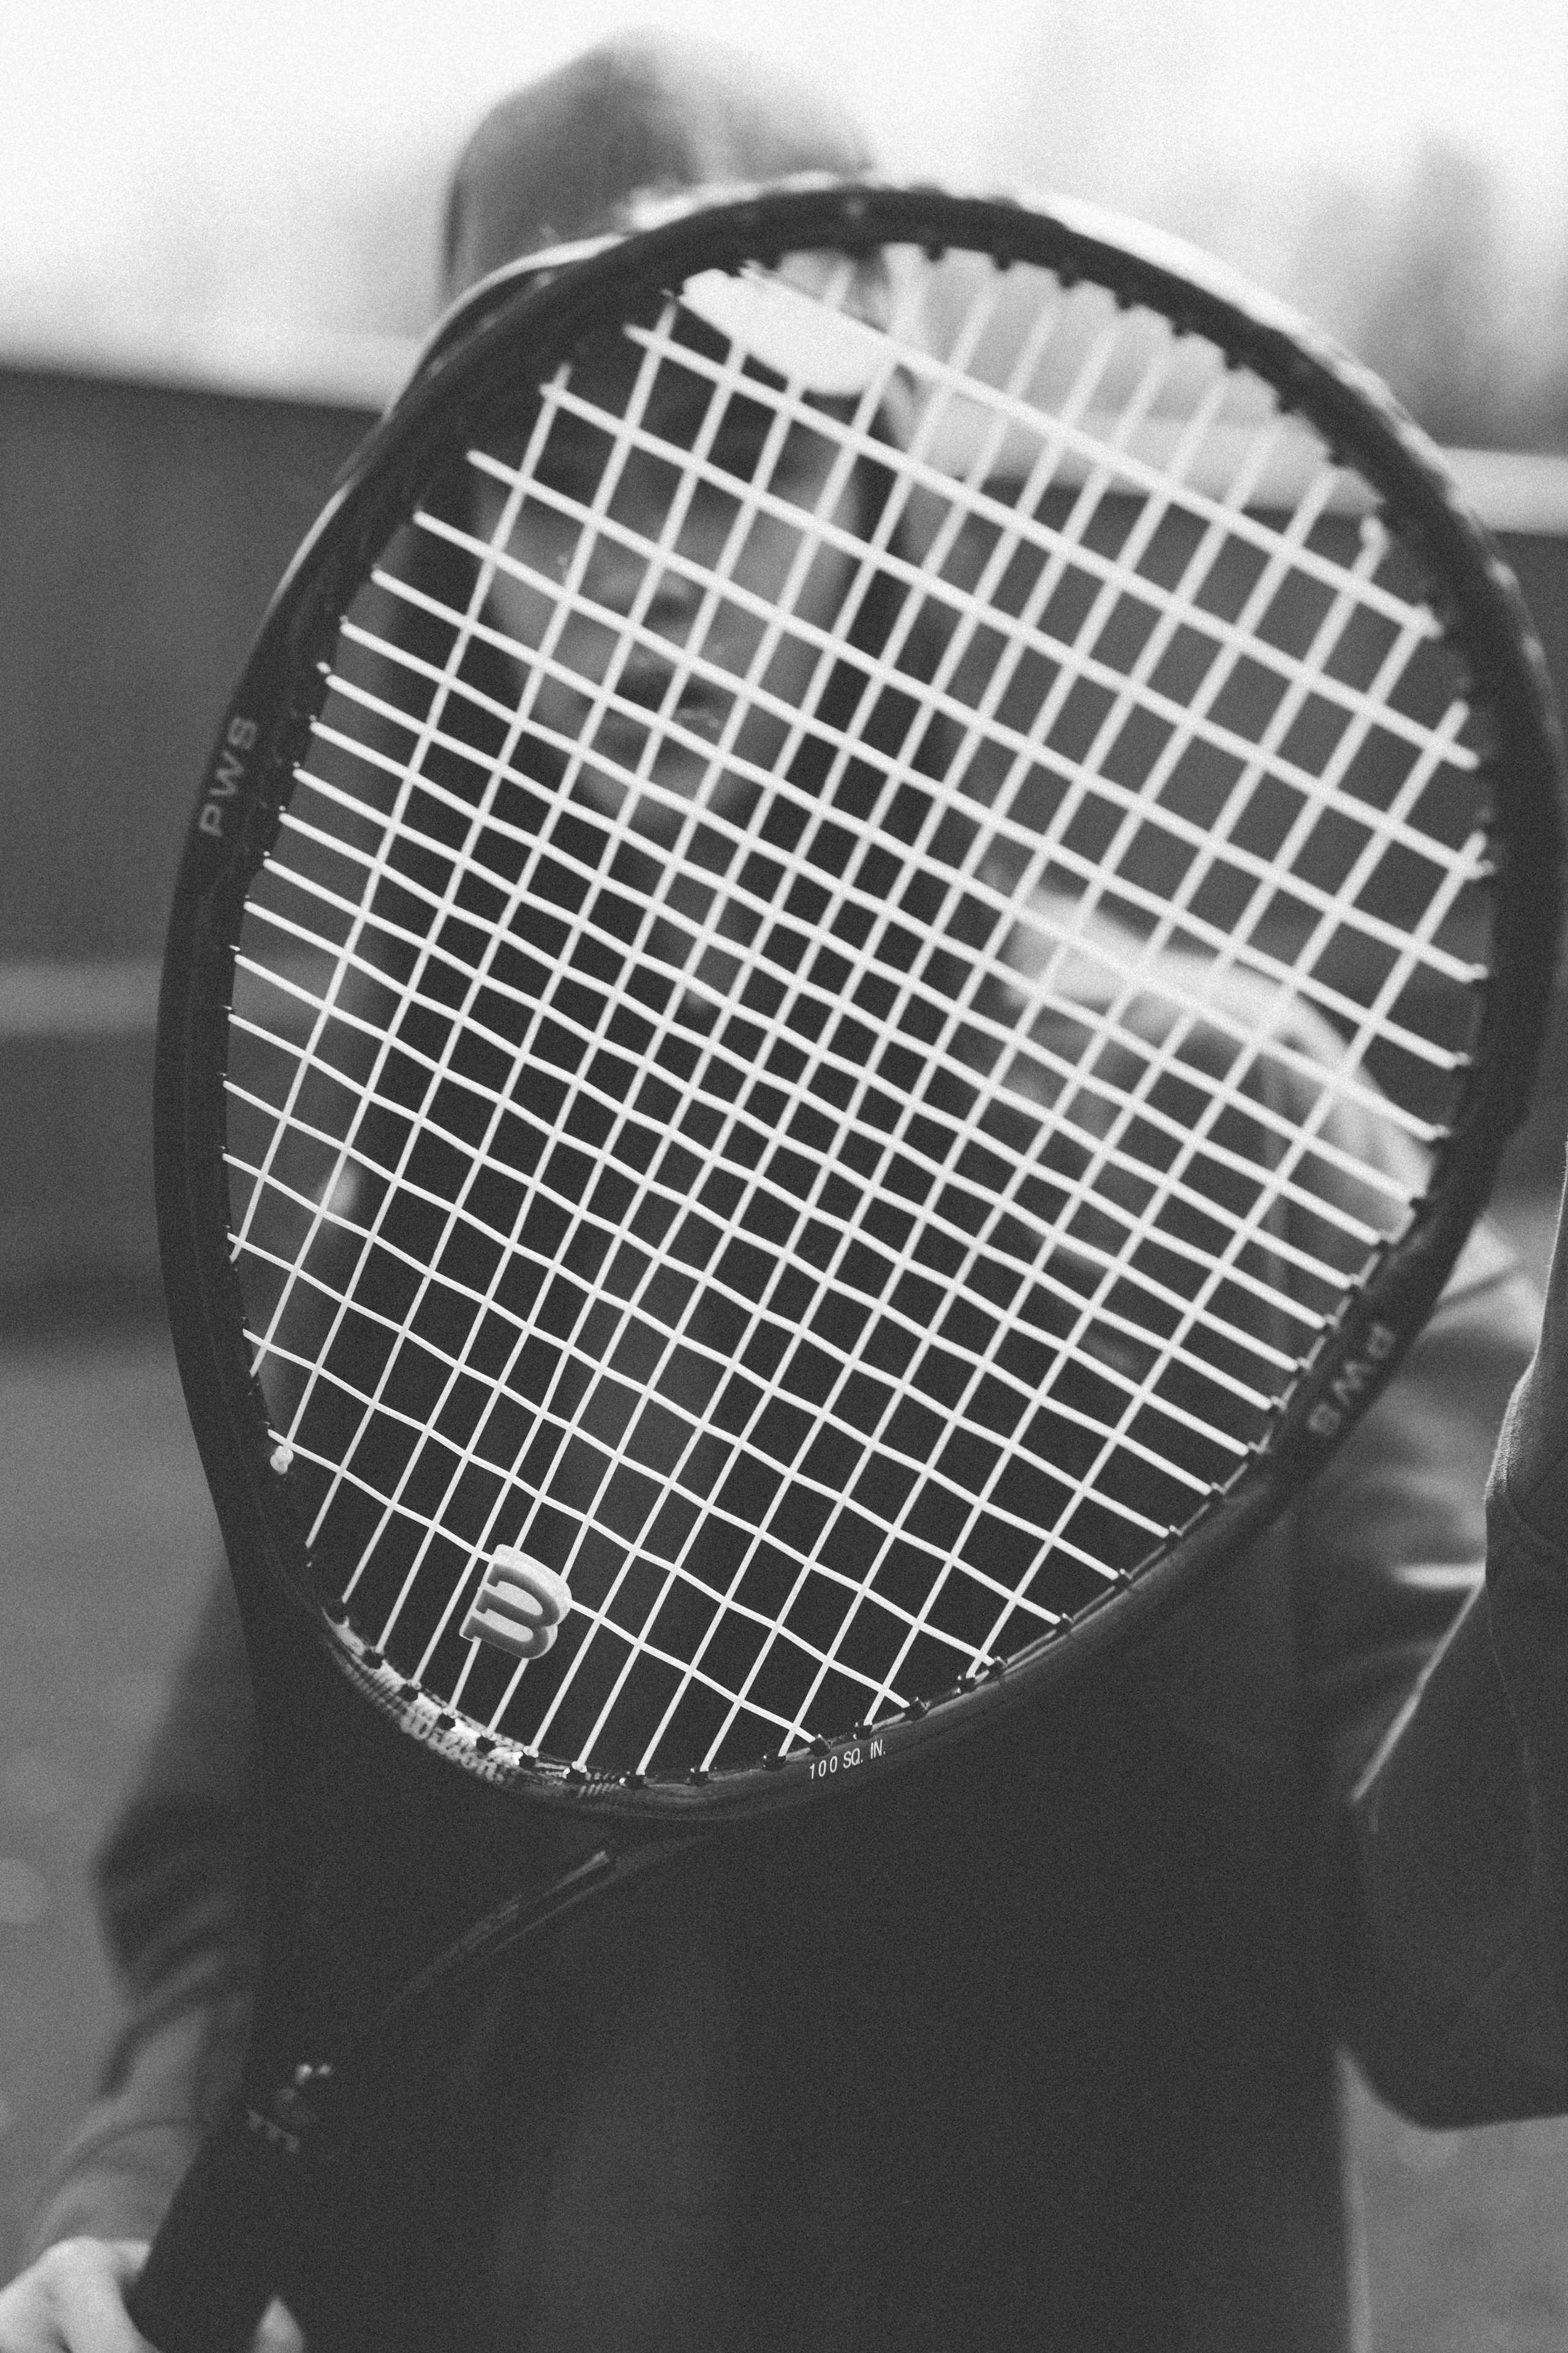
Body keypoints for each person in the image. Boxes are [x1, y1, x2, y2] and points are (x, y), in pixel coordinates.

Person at [5, 31, 1568, 2353]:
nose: (629, 576)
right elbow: (243, 1862)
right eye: (549, 480)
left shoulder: (1242, 1144)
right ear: (455, 555)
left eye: (729, 465)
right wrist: (136, 2189)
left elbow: (1462, 1988)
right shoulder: (410, 1184)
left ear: (882, 508)